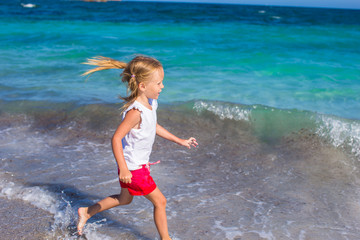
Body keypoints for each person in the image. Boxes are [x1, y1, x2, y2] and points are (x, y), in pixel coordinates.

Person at [77, 55, 198, 240]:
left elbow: (154, 125)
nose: (162, 87)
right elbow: (116, 138)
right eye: (158, 83)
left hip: (134, 165)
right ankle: (166, 239)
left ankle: (86, 212)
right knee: (160, 201)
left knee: (124, 199)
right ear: (142, 86)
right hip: (133, 168)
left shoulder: (150, 103)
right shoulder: (135, 112)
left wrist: (179, 140)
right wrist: (124, 169)